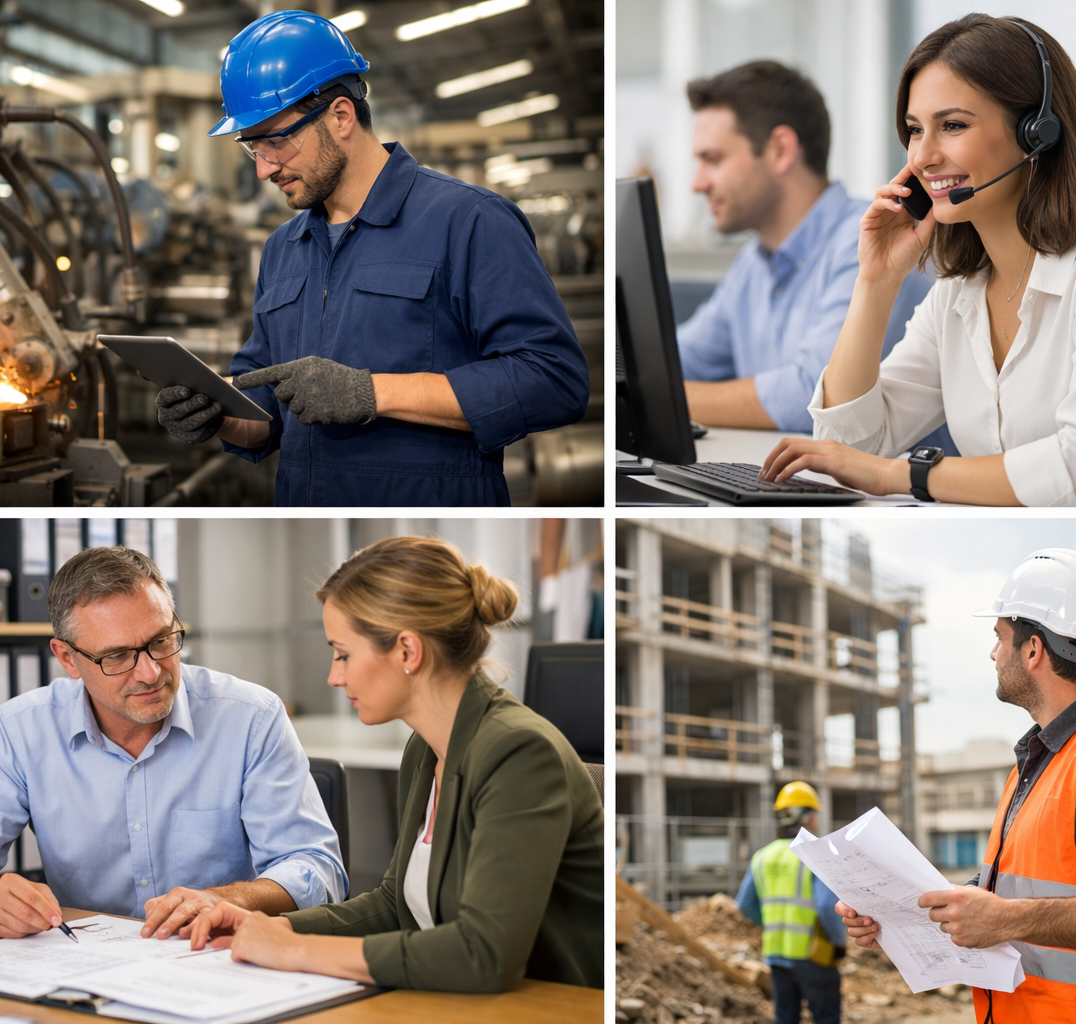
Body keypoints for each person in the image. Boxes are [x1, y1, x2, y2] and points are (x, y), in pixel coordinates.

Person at [759, 15, 1076, 507]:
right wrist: (876, 282)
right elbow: (845, 448)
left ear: (1037, 133)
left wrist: (898, 475)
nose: (922, 156)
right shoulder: (959, 293)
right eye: (913, 130)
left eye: (952, 125)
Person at [155, 11, 590, 506]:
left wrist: (372, 393)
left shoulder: (469, 220)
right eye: (251, 148)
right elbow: (264, 415)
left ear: (341, 117)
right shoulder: (282, 249)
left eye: (276, 141)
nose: (264, 170)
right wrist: (217, 415)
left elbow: (554, 380)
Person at [183, 537, 603, 993]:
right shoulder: (425, 749)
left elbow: (483, 955)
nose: (334, 675)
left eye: (342, 653)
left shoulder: (520, 752)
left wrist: (296, 952)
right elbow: (394, 905)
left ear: (407, 650)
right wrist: (279, 927)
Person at [0, 546, 346, 938]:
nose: (150, 672)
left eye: (161, 642)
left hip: (216, 959)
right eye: (117, 656)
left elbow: (316, 868)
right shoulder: (23, 729)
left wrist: (230, 899)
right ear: (68, 659)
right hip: (84, 970)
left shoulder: (251, 717)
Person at [838, 549, 1076, 1022]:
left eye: (999, 638)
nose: (992, 652)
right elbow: (1014, 892)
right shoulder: (1040, 759)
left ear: (1033, 650)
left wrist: (1005, 919)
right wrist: (903, 911)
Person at [677, 61, 939, 440]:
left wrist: (669, 398)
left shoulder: (870, 240)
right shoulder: (753, 262)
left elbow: (811, 395)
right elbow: (676, 359)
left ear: (781, 150)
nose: (697, 183)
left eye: (713, 159)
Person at [736, 781, 847, 1024]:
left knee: (785, 1018)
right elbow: (828, 907)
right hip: (814, 955)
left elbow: (745, 904)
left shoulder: (762, 856)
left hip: (776, 953)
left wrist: (775, 923)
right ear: (806, 817)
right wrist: (839, 944)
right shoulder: (813, 854)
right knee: (826, 1017)